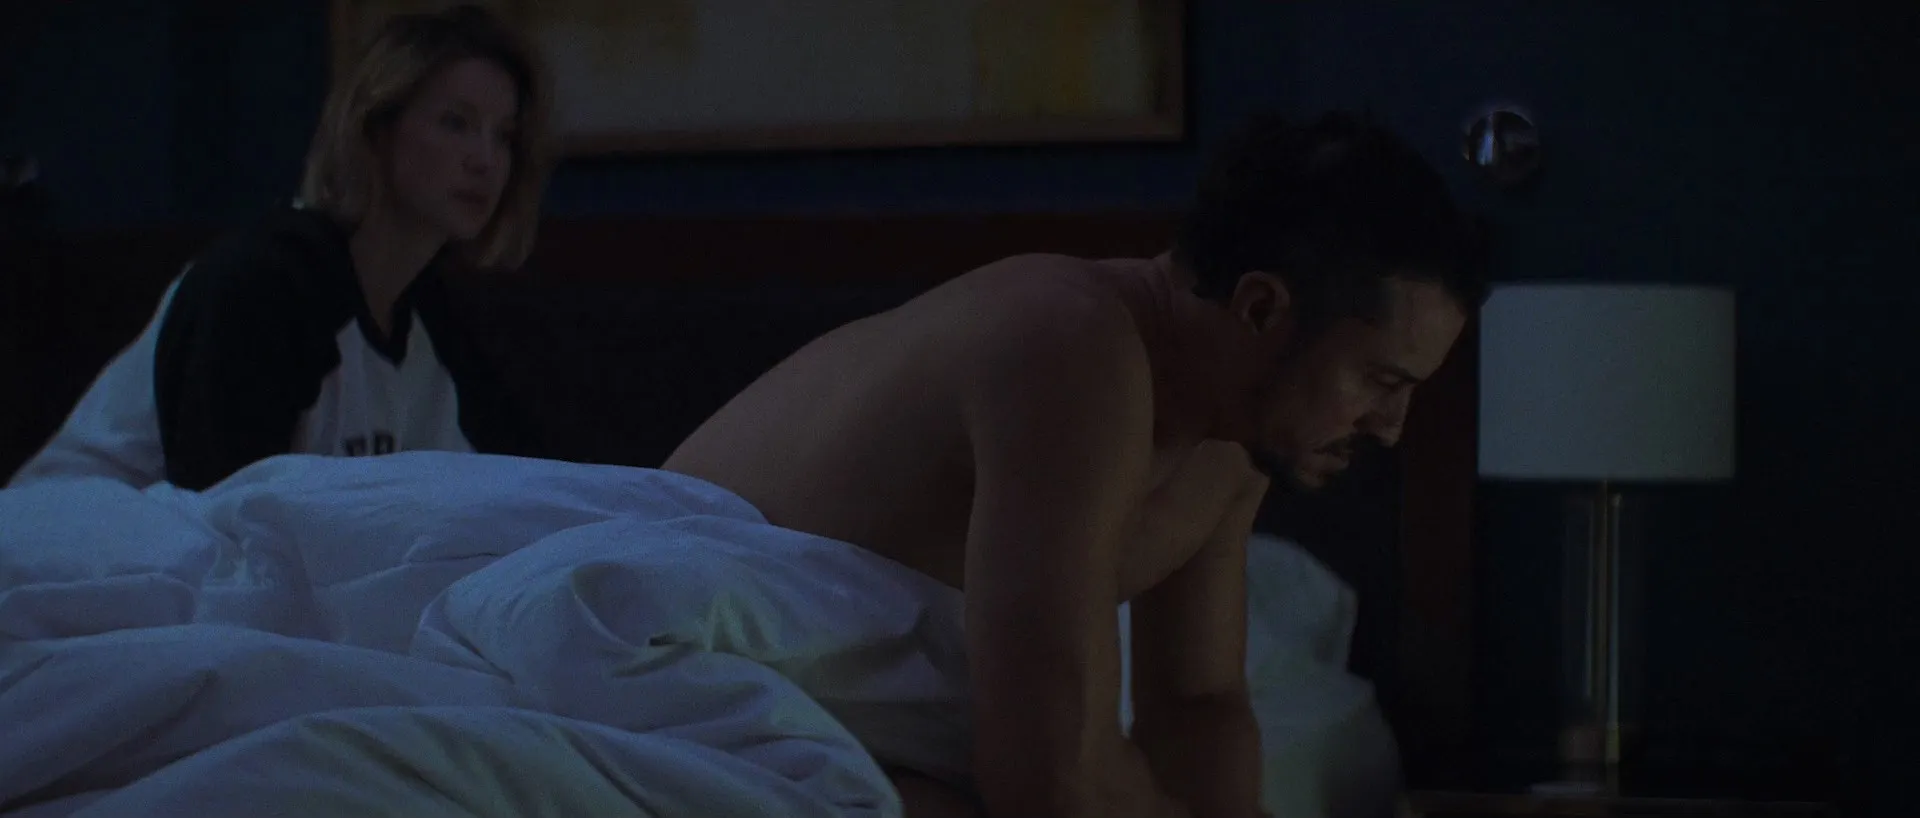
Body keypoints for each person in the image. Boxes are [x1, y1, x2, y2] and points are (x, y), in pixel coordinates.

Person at [664, 111, 1488, 818]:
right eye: (1381, 381)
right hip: (665, 642)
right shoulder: (1070, 347)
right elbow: (1050, 781)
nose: (1392, 428)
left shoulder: (1231, 442)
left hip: (820, 710)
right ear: (1261, 307)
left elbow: (1195, 705)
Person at [7, 4, 550, 491]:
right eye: (456, 123)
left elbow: (523, 483)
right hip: (74, 551)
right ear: (376, 128)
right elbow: (222, 518)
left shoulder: (432, 317)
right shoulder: (266, 284)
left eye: (504, 135)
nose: (485, 160)